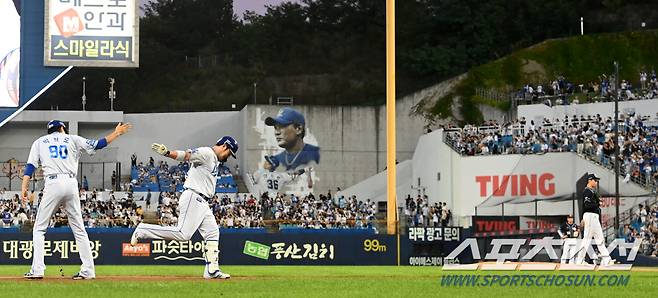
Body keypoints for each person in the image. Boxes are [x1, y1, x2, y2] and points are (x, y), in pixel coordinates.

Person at [22, 120, 131, 279]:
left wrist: (24, 187)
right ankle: (88, 270)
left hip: (52, 183)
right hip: (71, 183)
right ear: (62, 128)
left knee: (39, 228)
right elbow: (98, 144)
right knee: (79, 229)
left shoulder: (39, 142)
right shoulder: (72, 138)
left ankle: (37, 269)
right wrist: (117, 133)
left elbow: (30, 167)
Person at [130, 136, 238, 279]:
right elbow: (187, 155)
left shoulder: (213, 159)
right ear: (225, 146)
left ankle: (212, 270)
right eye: (229, 153)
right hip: (194, 196)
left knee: (212, 233)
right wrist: (168, 153)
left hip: (203, 201)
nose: (228, 157)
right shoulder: (207, 153)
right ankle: (143, 229)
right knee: (183, 234)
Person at [575, 173, 614, 266]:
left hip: (594, 216)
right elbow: (587, 205)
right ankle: (579, 260)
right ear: (590, 180)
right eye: (595, 180)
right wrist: (597, 204)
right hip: (590, 216)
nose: (596, 182)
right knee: (587, 239)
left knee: (600, 239)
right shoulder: (587, 191)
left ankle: (607, 259)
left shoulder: (592, 191)